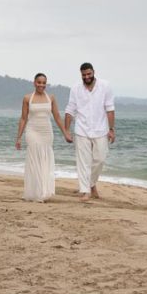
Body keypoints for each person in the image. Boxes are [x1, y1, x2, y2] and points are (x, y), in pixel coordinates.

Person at [15, 73, 72, 202]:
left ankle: (44, 191)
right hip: (32, 131)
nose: (41, 85)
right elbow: (23, 118)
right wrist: (18, 138)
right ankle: (36, 192)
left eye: (44, 83)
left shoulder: (51, 98)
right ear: (34, 83)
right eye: (39, 82)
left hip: (46, 132)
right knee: (34, 160)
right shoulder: (27, 98)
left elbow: (57, 117)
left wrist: (65, 133)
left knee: (45, 161)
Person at [64, 62, 115, 202]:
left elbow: (110, 109)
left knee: (100, 159)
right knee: (83, 162)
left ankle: (91, 183)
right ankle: (85, 191)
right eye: (84, 75)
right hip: (81, 129)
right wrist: (66, 130)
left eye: (89, 74)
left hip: (101, 129)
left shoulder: (105, 86)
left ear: (93, 72)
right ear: (81, 74)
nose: (86, 77)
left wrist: (111, 129)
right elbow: (70, 110)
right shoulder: (75, 88)